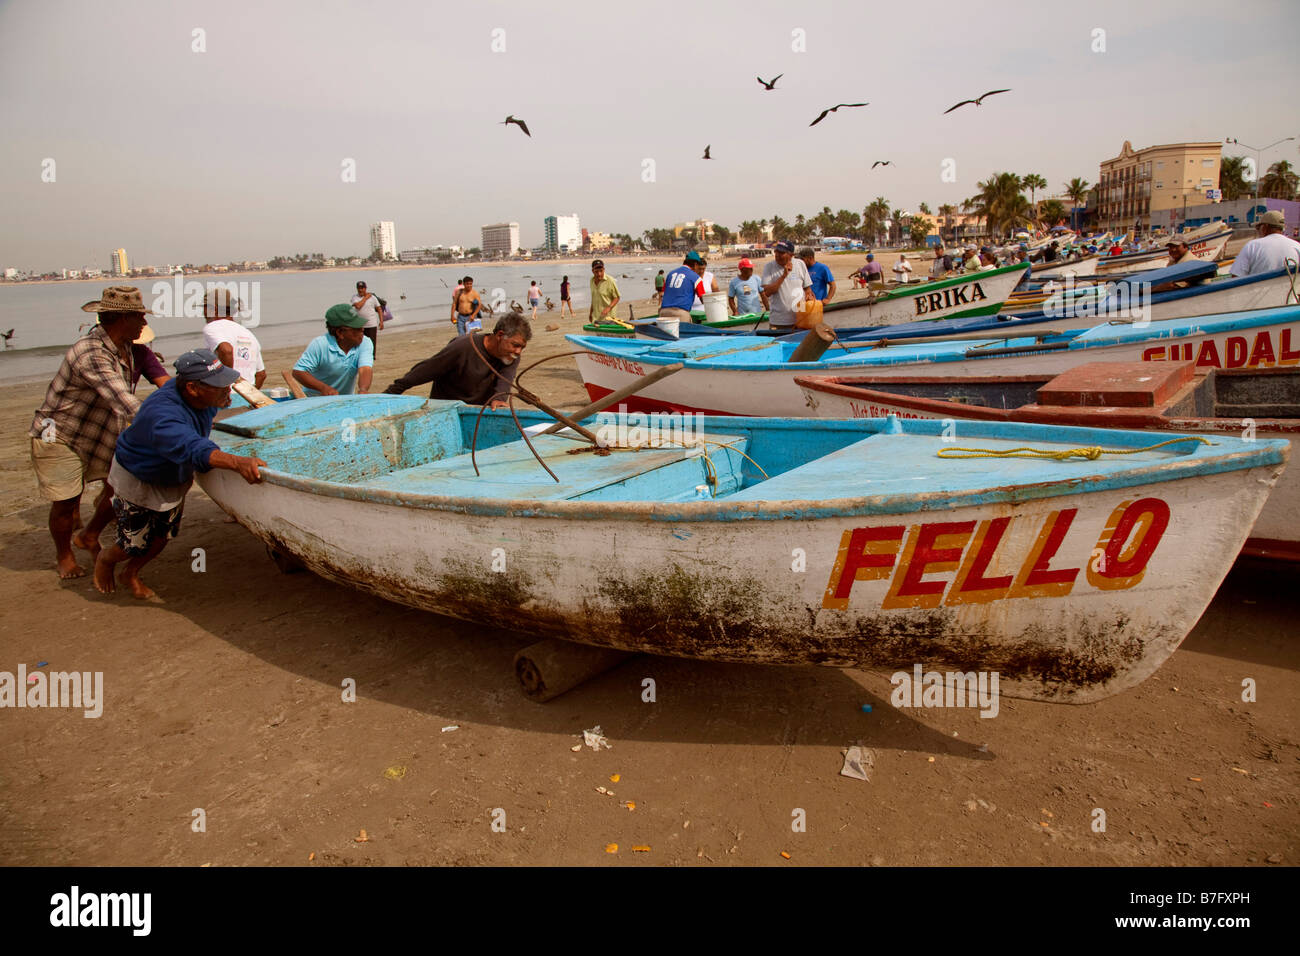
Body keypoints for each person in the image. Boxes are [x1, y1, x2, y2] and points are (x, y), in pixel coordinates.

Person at [93, 349, 265, 599]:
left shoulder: (203, 397)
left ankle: (130, 573)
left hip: (174, 473)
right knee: (133, 543)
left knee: (163, 535)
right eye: (219, 387)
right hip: (140, 476)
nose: (227, 391)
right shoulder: (163, 415)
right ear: (193, 388)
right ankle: (106, 559)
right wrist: (237, 463)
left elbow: (198, 439)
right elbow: (193, 447)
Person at [29, 286, 147, 578]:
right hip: (60, 433)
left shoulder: (126, 347)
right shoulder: (91, 352)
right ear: (122, 319)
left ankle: (89, 534)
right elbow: (125, 401)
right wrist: (171, 425)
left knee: (120, 486)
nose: (144, 323)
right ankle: (64, 555)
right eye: (140, 317)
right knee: (67, 502)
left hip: (98, 432)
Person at [384, 314, 531, 407]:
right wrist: (392, 392)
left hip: (474, 412)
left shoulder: (510, 356)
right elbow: (428, 369)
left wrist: (499, 399)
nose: (518, 351)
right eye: (515, 345)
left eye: (522, 347)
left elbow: (505, 381)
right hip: (446, 408)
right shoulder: (463, 347)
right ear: (500, 335)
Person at [292, 304, 374, 396]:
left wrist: (363, 389)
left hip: (343, 399)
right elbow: (298, 371)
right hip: (314, 398)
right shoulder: (320, 344)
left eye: (361, 326)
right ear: (340, 333)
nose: (362, 330)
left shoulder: (365, 342)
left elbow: (365, 369)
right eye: (357, 329)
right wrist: (323, 388)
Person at [200, 288, 266, 402]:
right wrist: (249, 398)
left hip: (225, 397)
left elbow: (226, 351)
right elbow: (261, 374)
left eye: (205, 308)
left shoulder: (212, 327)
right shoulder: (247, 333)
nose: (203, 313)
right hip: (246, 397)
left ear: (214, 309)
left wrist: (225, 388)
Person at [759, 240, 813, 332]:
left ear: (791, 255)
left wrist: (809, 296)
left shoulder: (800, 264)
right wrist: (783, 276)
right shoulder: (769, 267)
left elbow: (807, 288)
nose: (777, 255)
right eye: (776, 252)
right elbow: (767, 292)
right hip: (779, 322)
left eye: (781, 253)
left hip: (800, 320)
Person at [1231, 210, 1300, 278]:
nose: (1258, 231)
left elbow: (1235, 277)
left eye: (1258, 228)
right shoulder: (1297, 246)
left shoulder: (1252, 246)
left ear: (1264, 227)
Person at [660, 251, 707, 324]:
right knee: (683, 334)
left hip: (663, 312)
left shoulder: (670, 274)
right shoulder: (696, 278)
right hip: (681, 313)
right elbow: (704, 300)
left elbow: (662, 293)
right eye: (698, 267)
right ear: (695, 264)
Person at [350, 280, 384, 358]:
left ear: (365, 288)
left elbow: (379, 309)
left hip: (371, 324)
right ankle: (362, 356)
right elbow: (358, 306)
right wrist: (365, 298)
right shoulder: (354, 297)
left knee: (372, 342)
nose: (360, 290)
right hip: (360, 325)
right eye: (359, 288)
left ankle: (372, 357)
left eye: (362, 288)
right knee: (360, 342)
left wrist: (381, 321)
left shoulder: (373, 297)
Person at [588, 259, 621, 325]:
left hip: (608, 319)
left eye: (601, 271)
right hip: (596, 318)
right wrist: (590, 313)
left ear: (604, 269)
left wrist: (608, 308)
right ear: (592, 271)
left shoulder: (610, 281)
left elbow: (617, 297)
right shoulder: (591, 280)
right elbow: (594, 298)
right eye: (596, 271)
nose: (599, 274)